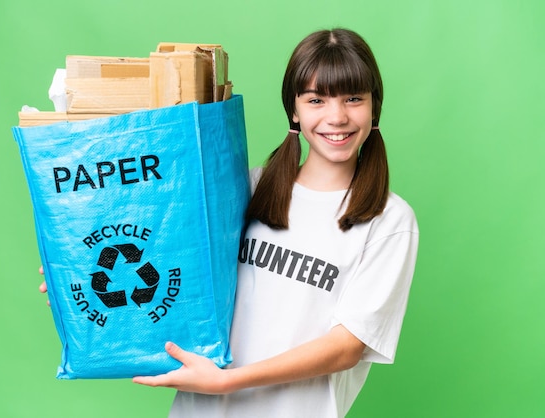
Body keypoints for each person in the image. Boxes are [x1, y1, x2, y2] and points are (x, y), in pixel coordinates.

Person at [129, 28, 420, 417]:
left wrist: (229, 381)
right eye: (316, 99)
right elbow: (175, 272)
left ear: (373, 107)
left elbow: (347, 346)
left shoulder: (390, 220)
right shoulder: (249, 187)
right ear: (294, 110)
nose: (337, 117)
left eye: (354, 98)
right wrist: (87, 284)